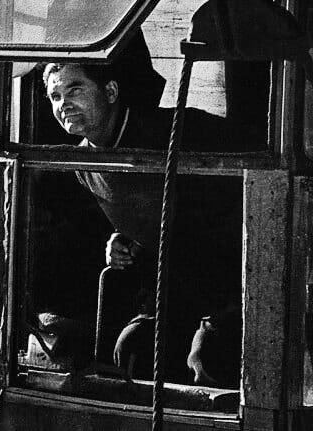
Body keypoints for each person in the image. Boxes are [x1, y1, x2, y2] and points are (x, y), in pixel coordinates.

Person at [41, 30, 244, 387]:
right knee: (133, 347)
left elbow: (230, 200)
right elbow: (140, 211)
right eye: (55, 96)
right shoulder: (84, 166)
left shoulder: (180, 132)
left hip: (230, 281)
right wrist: (122, 238)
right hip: (174, 285)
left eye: (75, 90)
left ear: (110, 92)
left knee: (206, 358)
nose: (63, 104)